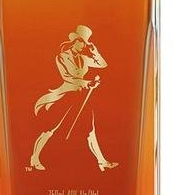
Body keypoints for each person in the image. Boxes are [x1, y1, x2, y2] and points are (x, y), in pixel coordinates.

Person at [30, 25, 118, 173]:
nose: (83, 45)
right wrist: (87, 82)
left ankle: (102, 162)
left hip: (82, 96)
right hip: (66, 95)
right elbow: (67, 77)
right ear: (74, 41)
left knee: (90, 131)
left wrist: (94, 50)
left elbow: (102, 64)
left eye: (85, 43)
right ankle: (34, 159)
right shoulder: (62, 57)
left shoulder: (84, 58)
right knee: (50, 128)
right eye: (81, 41)